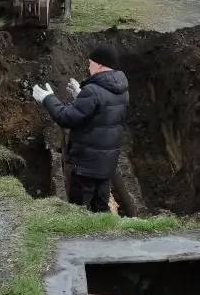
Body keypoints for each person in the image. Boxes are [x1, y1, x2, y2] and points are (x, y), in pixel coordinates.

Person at [32, 46, 129, 213]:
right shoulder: (121, 89)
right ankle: (105, 229)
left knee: (80, 208)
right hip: (106, 162)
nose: (88, 67)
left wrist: (48, 99)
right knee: (101, 206)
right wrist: (81, 96)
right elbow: (103, 113)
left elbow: (66, 118)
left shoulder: (93, 91)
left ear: (100, 65)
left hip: (87, 164)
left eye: (90, 63)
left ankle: (81, 230)